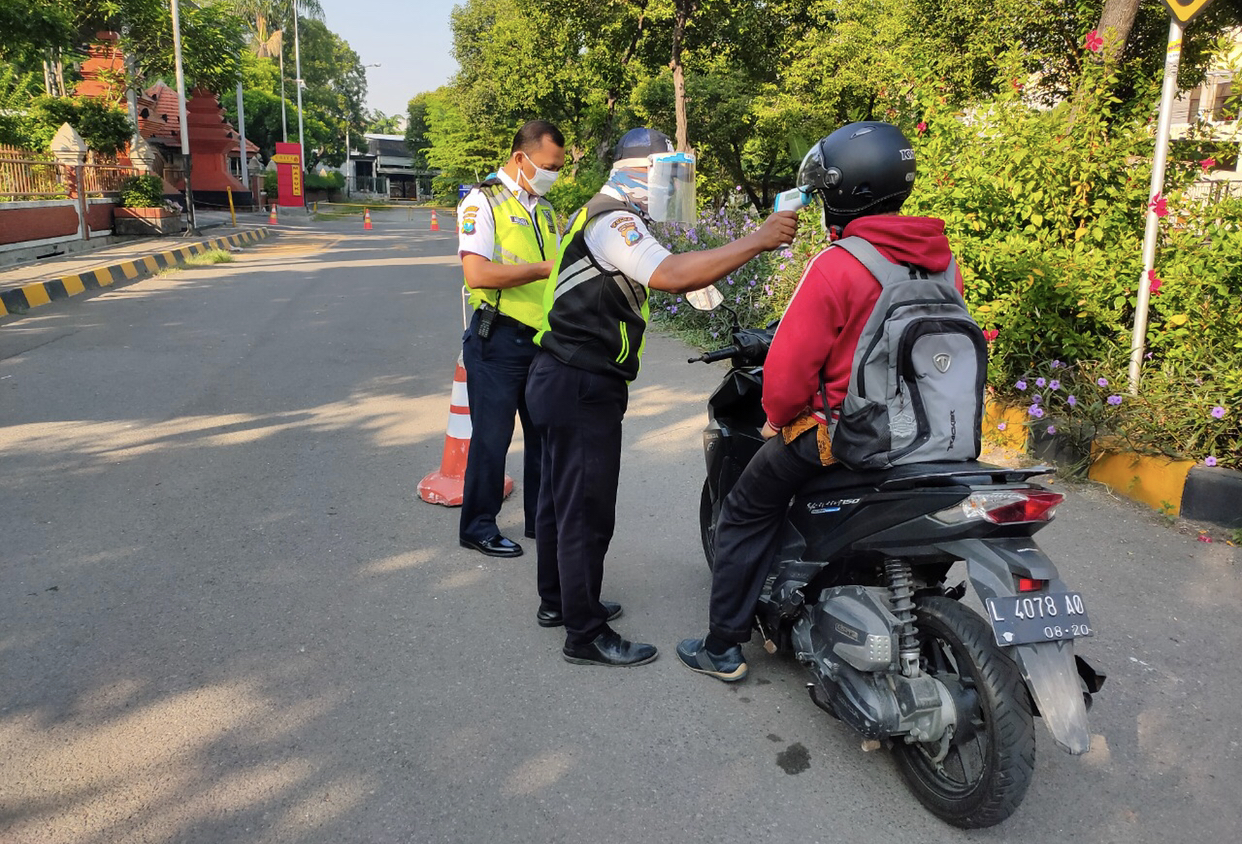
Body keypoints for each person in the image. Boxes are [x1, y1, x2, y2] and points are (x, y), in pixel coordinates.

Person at [677, 121, 966, 682]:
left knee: (743, 507)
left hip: (847, 434)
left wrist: (776, 419)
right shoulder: (941, 261)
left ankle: (722, 647)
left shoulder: (840, 264)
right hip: (933, 434)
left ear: (843, 191)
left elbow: (787, 372)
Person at [525, 127, 799, 666]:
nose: (673, 188)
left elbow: (660, 269)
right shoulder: (614, 220)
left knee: (560, 502)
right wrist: (758, 239)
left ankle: (559, 601)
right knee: (586, 509)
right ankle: (584, 634)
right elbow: (669, 273)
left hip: (560, 374)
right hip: (581, 382)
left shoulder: (602, 214)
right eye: (668, 176)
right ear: (640, 170)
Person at [457, 120, 566, 558]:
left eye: (557, 167)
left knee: (543, 436)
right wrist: (543, 269)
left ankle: (541, 522)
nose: (552, 174)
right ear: (521, 158)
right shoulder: (482, 201)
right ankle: (478, 525)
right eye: (547, 165)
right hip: (496, 340)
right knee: (491, 438)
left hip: (541, 342)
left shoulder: (545, 209)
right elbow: (477, 273)